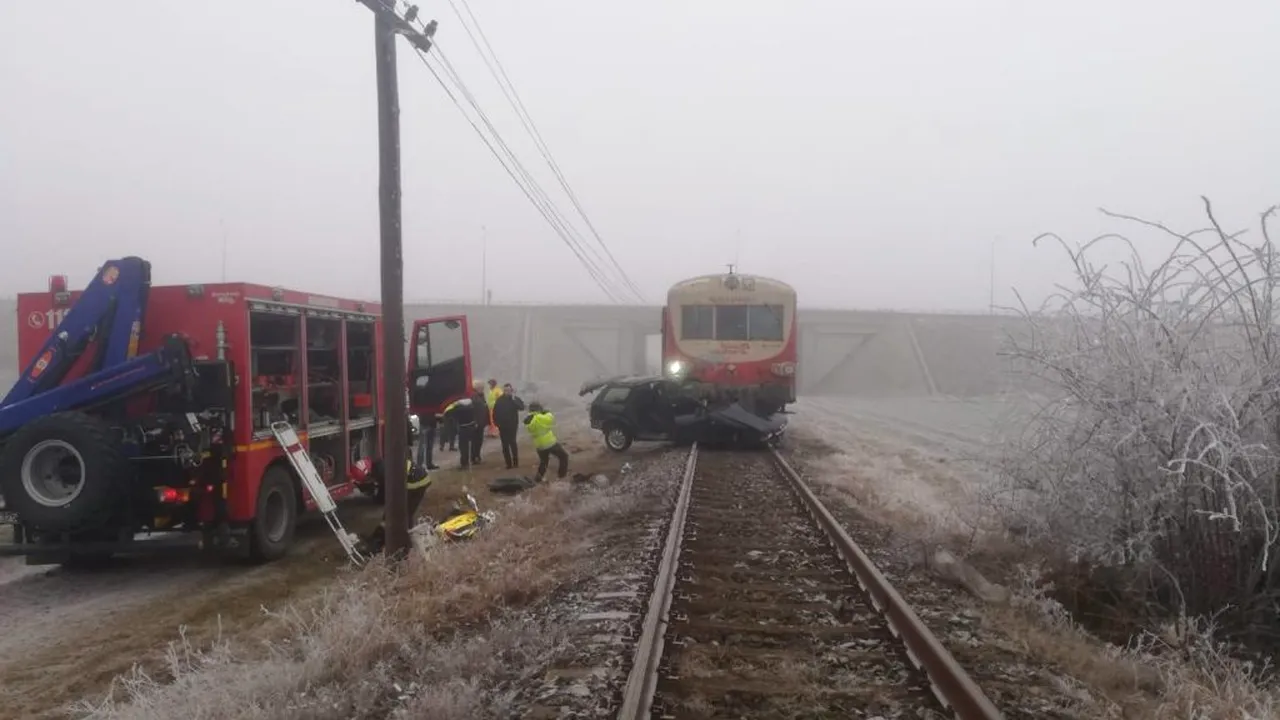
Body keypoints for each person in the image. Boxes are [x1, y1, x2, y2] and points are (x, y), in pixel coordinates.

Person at [356, 458, 432, 556]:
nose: (367, 481)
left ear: (368, 473)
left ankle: (406, 546)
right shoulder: (378, 468)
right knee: (391, 514)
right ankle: (380, 541)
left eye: (366, 480)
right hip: (412, 479)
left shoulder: (381, 472)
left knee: (404, 513)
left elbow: (387, 493)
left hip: (416, 483)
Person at [524, 401, 569, 482]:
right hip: (549, 443)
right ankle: (561, 476)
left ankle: (538, 478)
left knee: (544, 462)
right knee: (564, 456)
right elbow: (550, 419)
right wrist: (547, 412)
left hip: (539, 445)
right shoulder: (538, 417)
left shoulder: (528, 419)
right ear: (538, 409)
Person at [492, 382, 526, 469]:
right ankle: (508, 464)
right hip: (502, 426)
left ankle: (515, 462)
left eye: (509, 390)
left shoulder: (514, 399)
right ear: (504, 391)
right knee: (505, 445)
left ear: (511, 390)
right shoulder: (499, 400)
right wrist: (496, 423)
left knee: (513, 443)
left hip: (512, 425)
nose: (507, 392)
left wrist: (514, 398)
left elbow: (521, 407)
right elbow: (495, 412)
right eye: (506, 390)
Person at [442, 396, 479, 469]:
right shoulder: (473, 403)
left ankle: (464, 463)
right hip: (472, 425)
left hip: (463, 427)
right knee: (473, 444)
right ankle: (474, 459)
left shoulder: (457, 406)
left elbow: (447, 412)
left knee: (463, 447)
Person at [469, 381, 488, 464]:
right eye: (480, 388)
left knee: (479, 441)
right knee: (475, 441)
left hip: (481, 422)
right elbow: (473, 410)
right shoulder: (473, 396)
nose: (482, 389)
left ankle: (477, 455)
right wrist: (475, 421)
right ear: (476, 388)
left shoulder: (482, 396)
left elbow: (484, 408)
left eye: (482, 388)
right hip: (475, 423)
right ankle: (473, 457)